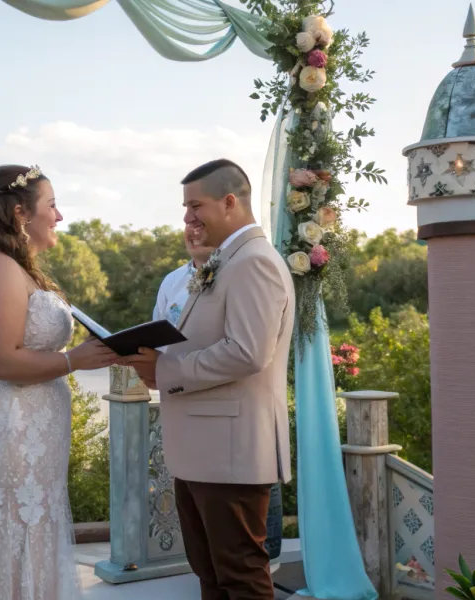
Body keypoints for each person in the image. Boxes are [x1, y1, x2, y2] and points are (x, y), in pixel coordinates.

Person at [0, 164, 118, 600]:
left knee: (28, 535)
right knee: (7, 540)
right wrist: (73, 360)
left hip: (25, 436)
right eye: (52, 205)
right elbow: (1, 361)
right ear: (19, 214)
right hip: (2, 434)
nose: (60, 216)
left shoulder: (13, 266)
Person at [125, 159, 295, 600]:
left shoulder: (253, 262)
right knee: (211, 574)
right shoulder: (227, 259)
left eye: (195, 205)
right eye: (185, 207)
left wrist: (165, 371)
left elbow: (248, 352)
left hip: (231, 449)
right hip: (206, 449)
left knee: (239, 575)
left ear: (230, 201)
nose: (187, 218)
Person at [152, 224, 214, 325]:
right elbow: (157, 335)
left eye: (203, 224)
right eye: (190, 223)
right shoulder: (171, 280)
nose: (196, 231)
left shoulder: (238, 274)